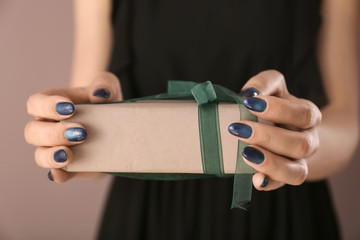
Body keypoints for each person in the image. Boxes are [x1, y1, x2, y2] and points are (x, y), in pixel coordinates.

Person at [24, 0, 359, 239]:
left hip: (282, 206)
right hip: (149, 215)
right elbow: (91, 149)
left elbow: (346, 119)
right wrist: (70, 138)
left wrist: (304, 145)